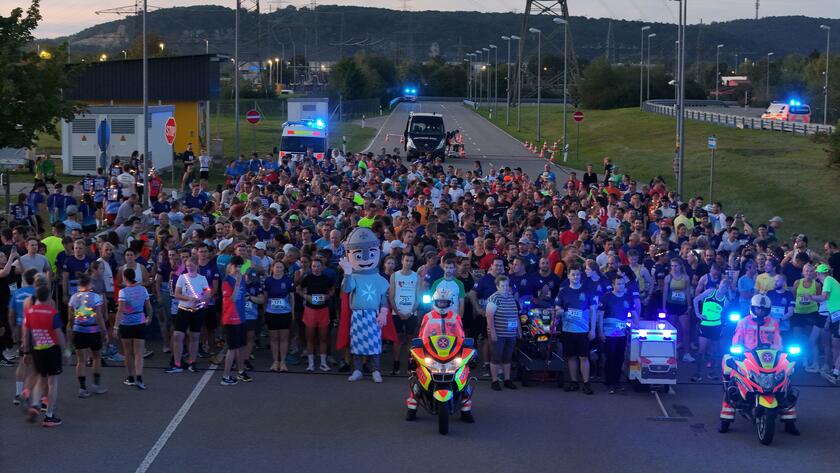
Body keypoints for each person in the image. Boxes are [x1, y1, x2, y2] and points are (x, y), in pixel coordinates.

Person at [719, 294, 799, 436]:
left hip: (769, 357)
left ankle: (789, 422)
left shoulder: (773, 323)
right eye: (757, 309)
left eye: (763, 309)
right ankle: (726, 420)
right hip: (748, 356)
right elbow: (737, 340)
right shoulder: (743, 322)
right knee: (731, 378)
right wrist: (737, 350)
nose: (760, 311)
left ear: (768, 310)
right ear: (752, 308)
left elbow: (778, 342)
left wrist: (781, 352)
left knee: (786, 381)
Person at [405, 286, 474, 423]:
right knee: (418, 378)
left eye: (445, 302)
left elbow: (461, 335)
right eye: (440, 302)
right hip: (432, 350)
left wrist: (465, 345)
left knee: (464, 379)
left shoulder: (455, 317)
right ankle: (412, 408)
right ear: (435, 302)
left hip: (452, 352)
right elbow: (422, 334)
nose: (442, 304)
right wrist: (419, 345)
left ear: (449, 303)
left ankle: (466, 411)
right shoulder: (428, 316)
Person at [22, 284, 68, 427]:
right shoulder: (53, 313)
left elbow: (26, 334)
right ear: (48, 297)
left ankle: (35, 405)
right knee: (52, 382)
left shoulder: (29, 312)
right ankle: (49, 416)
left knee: (41, 378)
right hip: (52, 349)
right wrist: (65, 351)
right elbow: (59, 334)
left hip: (37, 349)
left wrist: (26, 352)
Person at [554, 264, 598, 394]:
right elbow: (557, 308)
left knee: (584, 357)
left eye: (577, 274)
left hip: (583, 331)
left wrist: (593, 329)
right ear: (568, 276)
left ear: (580, 276)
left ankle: (586, 383)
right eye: (573, 274)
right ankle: (574, 382)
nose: (575, 277)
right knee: (571, 357)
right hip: (568, 330)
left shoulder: (587, 291)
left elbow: (593, 311)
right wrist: (559, 311)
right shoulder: (563, 291)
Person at [67, 273, 108, 397]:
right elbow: (99, 316)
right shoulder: (95, 297)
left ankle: (82, 388)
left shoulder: (73, 297)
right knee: (96, 357)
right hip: (93, 330)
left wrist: (71, 330)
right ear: (89, 284)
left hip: (78, 330)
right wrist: (104, 331)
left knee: (81, 361)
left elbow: (70, 318)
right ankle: (96, 385)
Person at [167, 257, 210, 373]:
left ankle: (192, 362)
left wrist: (201, 299)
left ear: (196, 265)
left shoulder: (202, 279)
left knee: (195, 337)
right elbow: (177, 294)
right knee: (178, 336)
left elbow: (208, 292)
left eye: (191, 265)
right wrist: (189, 298)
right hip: (183, 309)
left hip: (197, 311)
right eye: (187, 266)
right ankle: (177, 363)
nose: (189, 267)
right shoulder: (182, 278)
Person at [598, 274, 637, 394]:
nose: (621, 286)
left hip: (622, 334)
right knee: (610, 358)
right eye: (618, 284)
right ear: (613, 285)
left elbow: (634, 313)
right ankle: (609, 383)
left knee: (620, 358)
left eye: (622, 284)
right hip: (609, 334)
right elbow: (600, 316)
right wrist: (600, 331)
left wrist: (638, 325)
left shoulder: (628, 298)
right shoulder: (606, 297)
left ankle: (617, 382)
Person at [116, 268, 152, 390]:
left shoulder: (123, 292)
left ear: (125, 277)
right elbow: (148, 306)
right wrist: (149, 316)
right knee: (139, 353)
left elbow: (120, 310)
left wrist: (115, 326)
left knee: (128, 352)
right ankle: (139, 378)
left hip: (126, 323)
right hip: (139, 322)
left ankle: (130, 377)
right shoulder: (143, 289)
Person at [691, 274, 732, 382]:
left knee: (714, 351)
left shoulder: (725, 301)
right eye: (722, 286)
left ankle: (712, 372)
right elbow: (696, 300)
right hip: (705, 325)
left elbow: (724, 313)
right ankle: (697, 373)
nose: (722, 288)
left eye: (725, 287)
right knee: (701, 350)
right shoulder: (710, 292)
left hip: (716, 326)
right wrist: (698, 314)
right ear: (719, 285)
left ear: (727, 289)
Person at [485, 275, 521, 391]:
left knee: (507, 358)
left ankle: (507, 380)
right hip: (499, 333)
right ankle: (494, 380)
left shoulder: (511, 297)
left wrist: (519, 330)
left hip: (510, 334)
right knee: (496, 357)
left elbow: (515, 315)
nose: (505, 288)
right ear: (497, 286)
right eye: (502, 286)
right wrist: (493, 333)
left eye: (506, 285)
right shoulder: (494, 298)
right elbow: (489, 316)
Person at [220, 256, 252, 385]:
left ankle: (241, 371)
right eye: (236, 266)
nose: (238, 269)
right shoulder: (227, 281)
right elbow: (232, 298)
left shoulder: (242, 277)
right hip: (231, 318)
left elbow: (248, 262)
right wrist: (238, 283)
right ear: (230, 266)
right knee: (232, 348)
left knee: (241, 346)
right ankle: (225, 377)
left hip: (241, 316)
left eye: (239, 266)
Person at [298, 258, 334, 372]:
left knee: (323, 338)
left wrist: (328, 296)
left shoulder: (326, 278)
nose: (316, 268)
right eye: (314, 266)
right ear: (311, 267)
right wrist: (306, 297)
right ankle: (311, 363)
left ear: (322, 267)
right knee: (310, 337)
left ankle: (323, 363)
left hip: (323, 310)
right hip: (310, 310)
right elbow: (298, 289)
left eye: (318, 266)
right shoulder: (307, 278)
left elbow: (332, 290)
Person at [389, 251, 420, 375]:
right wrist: (398, 312)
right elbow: (391, 297)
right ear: (402, 261)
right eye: (407, 260)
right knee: (397, 340)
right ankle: (396, 364)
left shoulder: (416, 276)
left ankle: (410, 364)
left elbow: (418, 298)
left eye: (411, 261)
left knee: (409, 340)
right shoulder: (394, 276)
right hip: (397, 313)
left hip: (411, 314)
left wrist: (411, 312)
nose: (409, 263)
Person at [808, 264, 840, 382]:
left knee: (836, 343)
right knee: (835, 343)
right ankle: (835, 370)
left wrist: (810, 297)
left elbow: (824, 297)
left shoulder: (828, 280)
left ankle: (836, 373)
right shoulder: (830, 280)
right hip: (835, 315)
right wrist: (829, 319)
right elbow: (833, 302)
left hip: (837, 315)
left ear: (818, 274)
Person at [265, 261, 294, 372]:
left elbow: (292, 297)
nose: (278, 269)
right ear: (272, 268)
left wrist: (292, 312)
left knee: (283, 338)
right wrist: (264, 311)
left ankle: (283, 362)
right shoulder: (268, 281)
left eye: (281, 267)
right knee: (273, 338)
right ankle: (275, 361)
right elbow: (265, 297)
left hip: (285, 313)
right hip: (271, 313)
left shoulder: (288, 280)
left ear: (283, 269)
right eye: (276, 267)